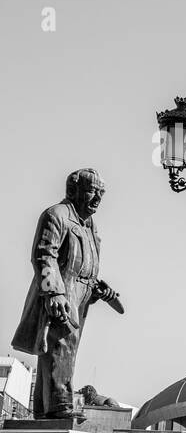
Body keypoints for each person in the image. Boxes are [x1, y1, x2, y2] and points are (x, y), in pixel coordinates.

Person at [11, 169, 121, 419]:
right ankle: (60, 407)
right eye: (93, 191)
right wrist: (54, 293)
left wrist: (97, 287)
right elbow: (44, 255)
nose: (98, 198)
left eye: (101, 193)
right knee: (62, 347)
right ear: (74, 191)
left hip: (82, 294)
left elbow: (86, 264)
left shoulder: (90, 226)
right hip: (63, 291)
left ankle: (44, 408)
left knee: (61, 350)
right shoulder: (57, 215)